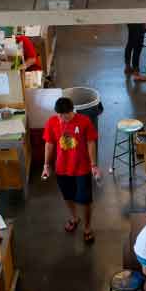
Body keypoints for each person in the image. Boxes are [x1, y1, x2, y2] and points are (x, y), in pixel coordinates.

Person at [42, 97, 100, 243]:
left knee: (85, 200)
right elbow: (49, 144)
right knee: (67, 196)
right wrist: (46, 165)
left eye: (64, 115)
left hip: (82, 168)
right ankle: (74, 218)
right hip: (61, 169)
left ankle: (87, 227)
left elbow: (91, 142)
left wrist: (93, 165)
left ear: (71, 111)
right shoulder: (52, 122)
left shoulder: (84, 121)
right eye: (58, 115)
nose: (61, 118)